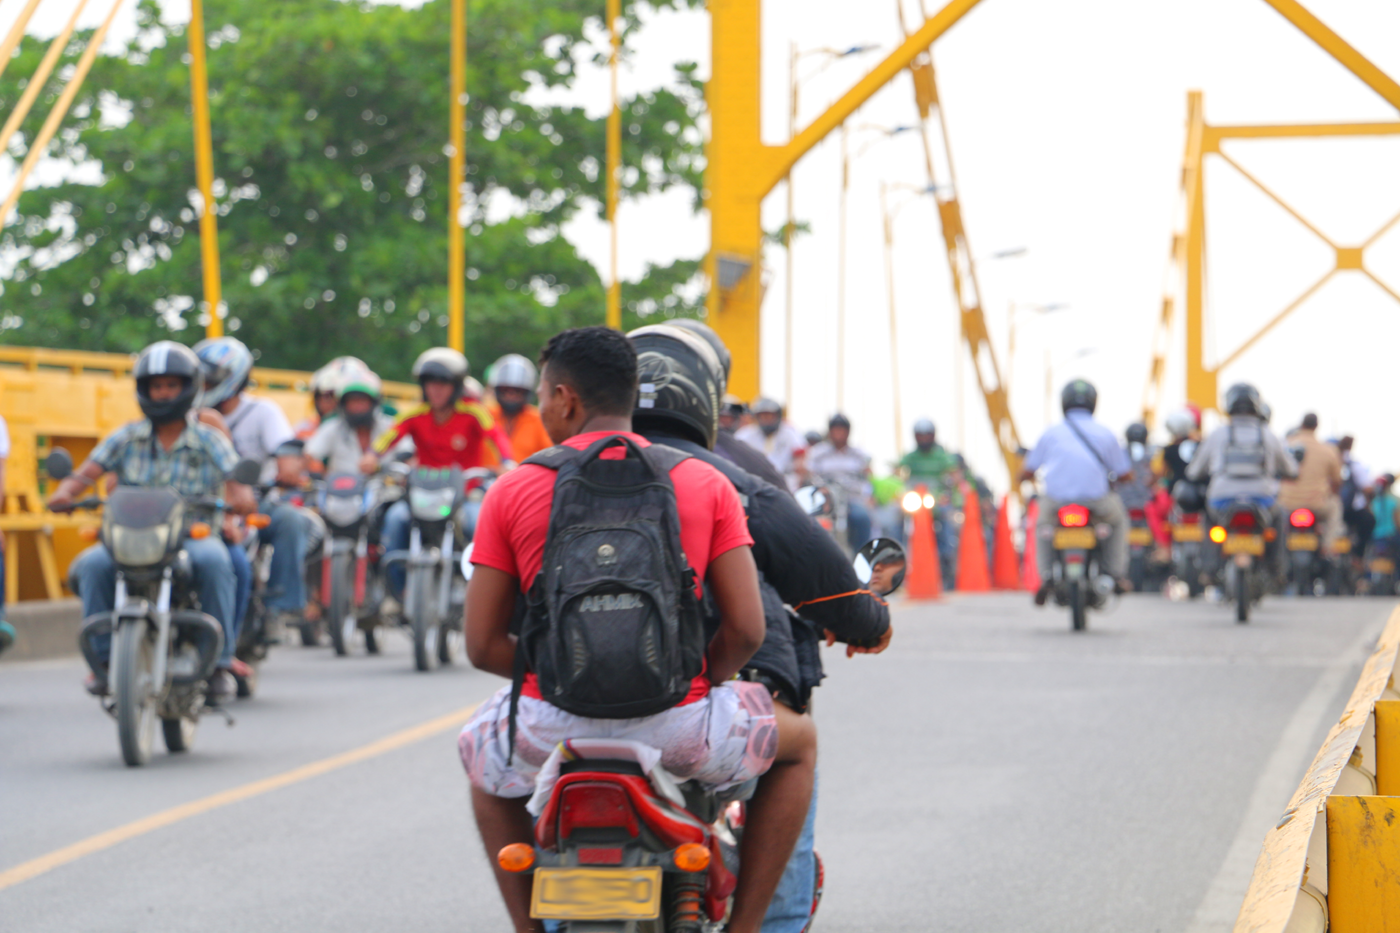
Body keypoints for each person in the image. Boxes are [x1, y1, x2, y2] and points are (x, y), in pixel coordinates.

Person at [457, 326, 816, 933]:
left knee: (482, 762)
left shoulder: (514, 487)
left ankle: (528, 927)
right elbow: (748, 629)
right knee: (799, 745)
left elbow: (482, 644)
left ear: (566, 399)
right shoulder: (708, 484)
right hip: (681, 725)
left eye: (544, 395)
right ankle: (750, 925)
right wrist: (699, 680)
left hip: (550, 727)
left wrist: (556, 678)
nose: (542, 407)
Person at [626, 323, 891, 933]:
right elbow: (797, 592)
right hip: (704, 699)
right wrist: (867, 620)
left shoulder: (548, 471)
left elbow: (489, 631)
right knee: (793, 749)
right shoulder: (739, 472)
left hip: (572, 708)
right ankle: (770, 920)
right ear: (709, 394)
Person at [49, 342, 254, 702]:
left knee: (216, 561)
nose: (163, 393)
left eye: (171, 386)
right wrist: (65, 493)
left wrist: (241, 498)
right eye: (156, 386)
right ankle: (104, 662)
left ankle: (219, 663)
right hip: (132, 537)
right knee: (93, 564)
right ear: (143, 390)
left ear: (189, 388)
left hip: (190, 536)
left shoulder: (209, 439)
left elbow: (238, 484)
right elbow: (85, 474)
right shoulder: (125, 437)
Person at [367, 348, 513, 612]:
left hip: (465, 495)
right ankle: (396, 593)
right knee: (395, 520)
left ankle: (479, 595)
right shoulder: (414, 415)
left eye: (443, 383)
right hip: (421, 495)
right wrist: (371, 456)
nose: (436, 390)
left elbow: (497, 436)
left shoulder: (473, 413)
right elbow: (389, 436)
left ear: (455, 387)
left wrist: (507, 462)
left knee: (476, 524)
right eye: (430, 383)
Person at [195, 336, 311, 644]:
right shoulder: (187, 416)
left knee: (290, 520)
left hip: (257, 502)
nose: (204, 386)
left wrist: (288, 468)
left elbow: (285, 447)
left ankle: (279, 607)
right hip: (204, 504)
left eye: (211, 379)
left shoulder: (262, 412)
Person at [1019, 380, 1134, 604]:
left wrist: (1026, 477)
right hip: (1097, 502)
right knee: (1118, 521)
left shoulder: (1051, 433)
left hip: (1056, 503)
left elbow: (1027, 470)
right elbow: (1125, 472)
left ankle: (1046, 577)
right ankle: (1115, 574)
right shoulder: (1105, 433)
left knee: (1042, 527)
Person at [1185, 383, 1298, 578]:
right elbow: (1291, 469)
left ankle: (1209, 566)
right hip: (1261, 501)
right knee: (1279, 516)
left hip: (1221, 501)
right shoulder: (1269, 435)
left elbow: (1193, 471)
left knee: (1209, 520)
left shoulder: (1217, 435)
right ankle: (1276, 565)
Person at [303, 364, 399, 477]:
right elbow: (309, 455)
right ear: (343, 405)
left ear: (373, 403)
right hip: (341, 492)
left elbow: (409, 450)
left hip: (385, 491)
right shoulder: (333, 427)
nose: (357, 407)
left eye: (362, 400)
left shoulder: (390, 426)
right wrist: (320, 476)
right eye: (352, 401)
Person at [805, 414, 874, 549]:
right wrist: (821, 491)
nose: (839, 433)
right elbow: (810, 476)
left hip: (851, 499)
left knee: (862, 518)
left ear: (848, 432)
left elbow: (867, 479)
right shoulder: (818, 452)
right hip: (825, 501)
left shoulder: (859, 454)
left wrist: (868, 497)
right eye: (835, 429)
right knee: (812, 525)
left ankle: (861, 556)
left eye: (842, 430)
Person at [1277, 413, 1343, 549]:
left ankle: (1274, 549)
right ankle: (1327, 548)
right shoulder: (1328, 450)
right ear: (1316, 427)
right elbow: (1337, 482)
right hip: (1316, 506)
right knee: (1335, 506)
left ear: (1301, 425)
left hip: (1287, 504)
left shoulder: (1285, 446)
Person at [484, 353, 552, 463]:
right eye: (505, 390)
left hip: (528, 479)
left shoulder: (540, 420)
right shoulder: (484, 416)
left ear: (527, 392)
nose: (511, 395)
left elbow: (549, 457)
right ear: (497, 390)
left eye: (517, 391)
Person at [735, 397, 807, 488]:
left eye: (769, 416)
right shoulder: (746, 434)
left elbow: (800, 457)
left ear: (778, 416)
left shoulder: (789, 433)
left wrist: (799, 477)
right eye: (763, 416)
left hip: (785, 482)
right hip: (754, 482)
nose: (766, 419)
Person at [295, 356, 365, 439]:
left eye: (354, 399)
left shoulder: (376, 433)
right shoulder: (305, 430)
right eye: (327, 395)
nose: (336, 403)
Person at [1337, 436, 1376, 553]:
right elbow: (1368, 489)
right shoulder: (1353, 464)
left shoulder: (1328, 459)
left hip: (1327, 506)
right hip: (1348, 511)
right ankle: (1357, 556)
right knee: (1370, 520)